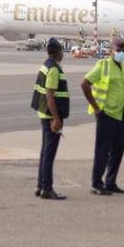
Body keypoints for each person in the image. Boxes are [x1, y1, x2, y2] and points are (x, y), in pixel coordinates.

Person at [81, 35, 124, 196]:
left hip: (120, 115)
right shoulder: (103, 65)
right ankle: (96, 184)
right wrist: (96, 107)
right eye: (118, 50)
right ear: (111, 51)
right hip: (106, 114)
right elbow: (84, 83)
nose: (121, 53)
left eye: (123, 50)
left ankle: (110, 182)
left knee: (118, 150)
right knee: (102, 151)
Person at [31, 38, 69, 200]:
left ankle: (40, 186)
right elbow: (50, 95)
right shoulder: (53, 69)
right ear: (58, 52)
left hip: (44, 114)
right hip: (50, 116)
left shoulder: (46, 65)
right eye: (61, 51)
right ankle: (47, 188)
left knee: (44, 152)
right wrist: (56, 119)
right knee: (49, 154)